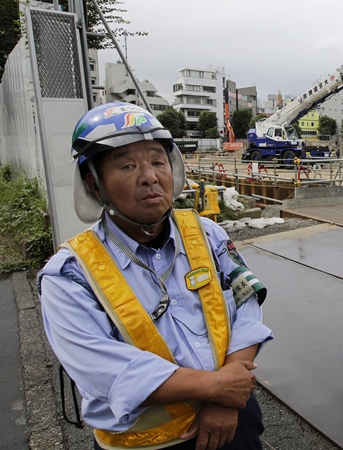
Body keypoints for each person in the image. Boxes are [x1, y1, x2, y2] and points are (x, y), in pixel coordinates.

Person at [38, 103, 272, 450]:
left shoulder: (206, 234)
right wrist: (216, 388)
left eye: (157, 161)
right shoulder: (70, 275)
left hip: (234, 419)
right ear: (94, 183)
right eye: (128, 165)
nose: (149, 176)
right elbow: (103, 369)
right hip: (147, 444)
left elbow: (247, 304)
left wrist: (226, 399)